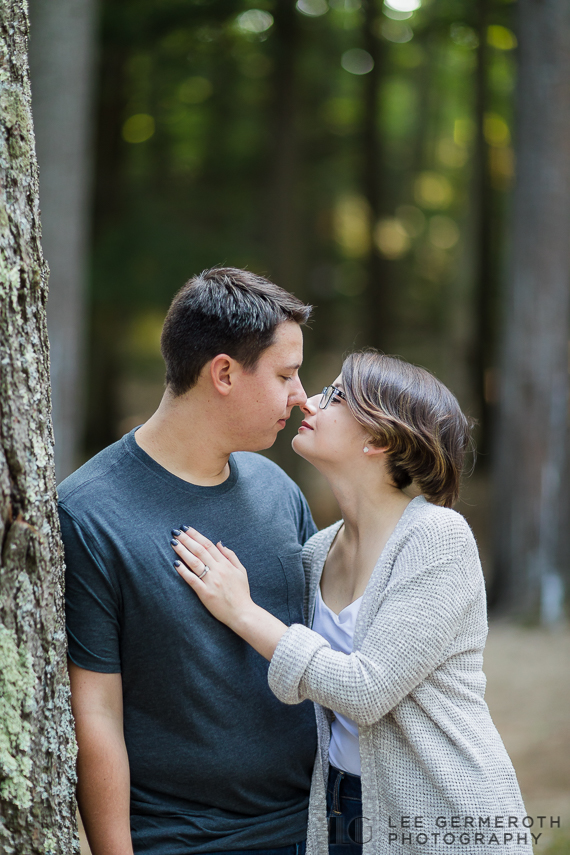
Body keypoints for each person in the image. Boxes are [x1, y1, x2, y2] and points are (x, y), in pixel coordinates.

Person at [169, 351, 532, 855]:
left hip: (443, 812)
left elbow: (367, 690)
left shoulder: (437, 538)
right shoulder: (319, 551)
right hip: (338, 806)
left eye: (335, 396)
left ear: (379, 437)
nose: (308, 400)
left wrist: (244, 611)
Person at [59, 267, 319, 855]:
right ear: (223, 373)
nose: (300, 396)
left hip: (315, 830)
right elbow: (95, 711)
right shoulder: (88, 515)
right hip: (184, 840)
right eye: (285, 375)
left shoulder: (279, 489)